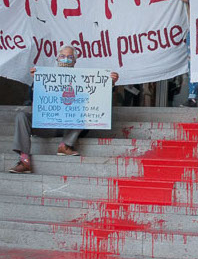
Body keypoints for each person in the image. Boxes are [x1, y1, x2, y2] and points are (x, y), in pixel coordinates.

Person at [9, 45, 118, 173]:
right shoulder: (46, 77)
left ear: (75, 61)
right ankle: (24, 160)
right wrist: (36, 82)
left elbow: (97, 97)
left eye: (70, 57)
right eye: (62, 56)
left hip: (71, 126)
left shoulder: (84, 79)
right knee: (21, 116)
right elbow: (33, 98)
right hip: (48, 124)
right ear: (57, 58)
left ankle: (65, 145)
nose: (65, 59)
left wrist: (109, 83)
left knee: (83, 109)